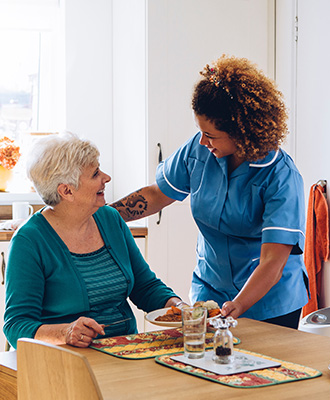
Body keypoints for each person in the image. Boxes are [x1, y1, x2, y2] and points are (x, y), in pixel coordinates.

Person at [110, 55, 309, 329]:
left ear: (242, 131)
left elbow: (273, 261)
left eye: (211, 135)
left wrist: (238, 305)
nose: (203, 141)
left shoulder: (281, 176)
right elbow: (157, 195)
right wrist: (103, 216)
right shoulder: (199, 149)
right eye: (200, 131)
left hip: (268, 302)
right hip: (211, 291)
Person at [3, 132, 182, 349]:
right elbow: (16, 325)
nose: (106, 178)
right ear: (66, 191)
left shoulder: (110, 219)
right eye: (95, 173)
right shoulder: (29, 241)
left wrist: (178, 307)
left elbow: (145, 287)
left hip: (124, 351)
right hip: (64, 359)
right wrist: (66, 332)